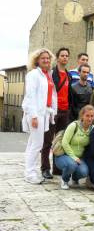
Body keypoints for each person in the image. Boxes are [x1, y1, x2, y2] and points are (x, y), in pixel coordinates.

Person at [22, 48, 57, 184]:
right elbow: (30, 97)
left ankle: (29, 170)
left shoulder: (46, 74)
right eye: (43, 58)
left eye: (48, 58)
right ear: (37, 60)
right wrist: (34, 116)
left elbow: (49, 96)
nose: (46, 60)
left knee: (32, 143)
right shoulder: (33, 75)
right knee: (37, 144)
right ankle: (30, 174)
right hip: (35, 113)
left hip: (43, 113)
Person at [41, 47, 72, 179]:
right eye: (62, 55)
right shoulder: (51, 73)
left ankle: (57, 169)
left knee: (59, 141)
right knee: (48, 140)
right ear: (58, 58)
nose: (64, 58)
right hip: (53, 110)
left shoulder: (69, 74)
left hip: (65, 111)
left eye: (66, 56)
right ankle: (45, 168)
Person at [54, 105, 94, 189]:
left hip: (79, 158)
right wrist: (74, 157)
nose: (89, 118)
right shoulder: (74, 126)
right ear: (82, 116)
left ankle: (75, 178)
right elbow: (64, 143)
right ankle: (65, 180)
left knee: (84, 172)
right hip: (64, 155)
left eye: (92, 116)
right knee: (72, 165)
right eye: (87, 115)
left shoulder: (93, 129)